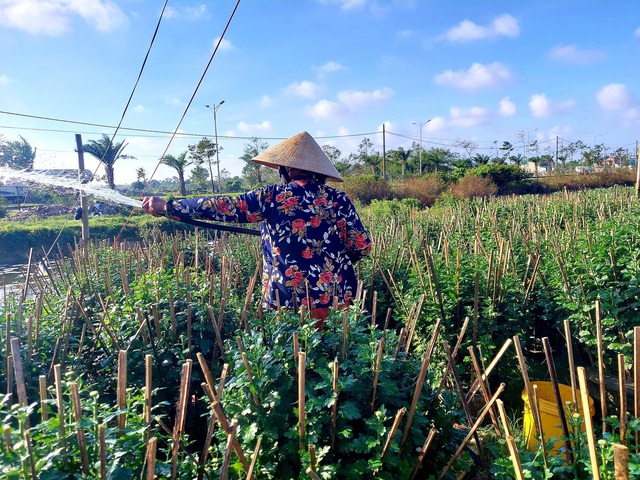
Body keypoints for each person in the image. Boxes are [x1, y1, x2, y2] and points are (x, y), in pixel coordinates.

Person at [142, 131, 371, 325]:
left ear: (288, 170)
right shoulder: (339, 199)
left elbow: (224, 207)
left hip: (285, 302)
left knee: (292, 367)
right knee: (336, 363)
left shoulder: (271, 197)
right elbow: (361, 247)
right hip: (336, 300)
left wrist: (170, 206)